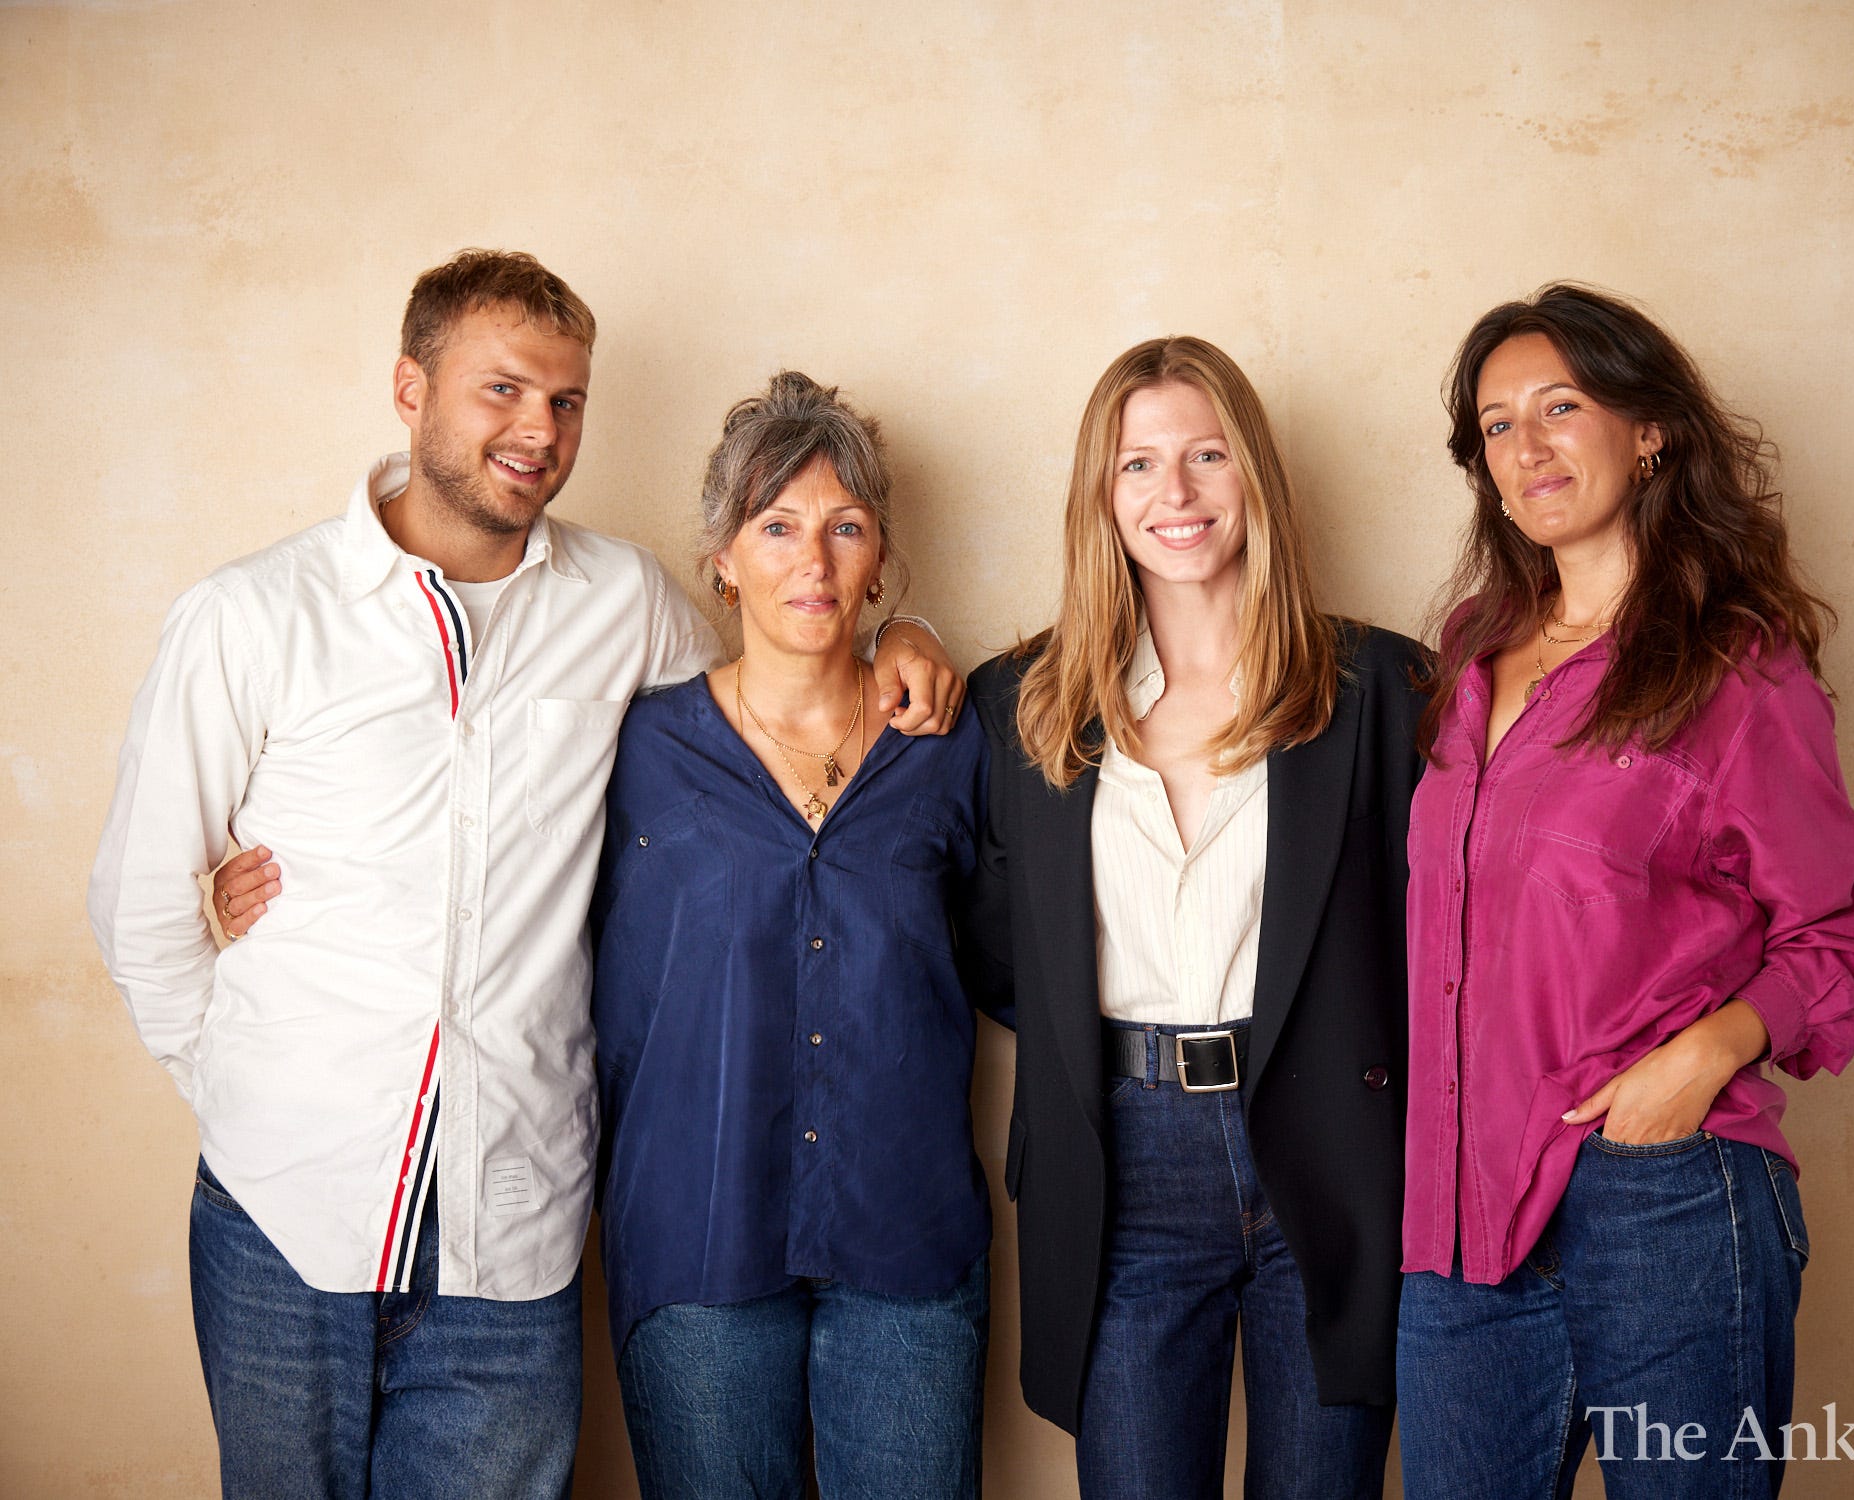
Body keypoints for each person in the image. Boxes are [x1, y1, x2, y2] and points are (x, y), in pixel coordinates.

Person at [87, 250, 959, 1500]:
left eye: (565, 401)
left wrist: (900, 636)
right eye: (502, 390)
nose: (538, 430)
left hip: (514, 1232)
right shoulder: (253, 616)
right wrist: (245, 1093)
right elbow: (140, 905)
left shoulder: (625, 604)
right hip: (283, 1216)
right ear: (410, 387)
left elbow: (774, 685)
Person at [1395, 283, 1854, 1499]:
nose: (1527, 446)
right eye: (1497, 425)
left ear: (1649, 429)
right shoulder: (1466, 654)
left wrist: (1697, 1061)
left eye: (1560, 406)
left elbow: (1832, 940)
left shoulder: (1734, 667)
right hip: (1458, 1213)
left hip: (1660, 1197)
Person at [961, 337, 1425, 1500]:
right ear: (1100, 493)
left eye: (1206, 455)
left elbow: (1434, 938)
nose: (1173, 491)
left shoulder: (1380, 691)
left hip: (1330, 1147)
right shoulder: (1021, 705)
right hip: (1120, 1162)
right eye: (1137, 463)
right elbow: (998, 950)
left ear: (1251, 473)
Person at [589, 371, 991, 1500]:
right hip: (697, 1236)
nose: (811, 561)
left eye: (844, 527)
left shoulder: (949, 743)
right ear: (721, 556)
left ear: (880, 559)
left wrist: (916, 637)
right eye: (776, 526)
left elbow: (1018, 952)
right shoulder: (637, 749)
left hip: (906, 1238)